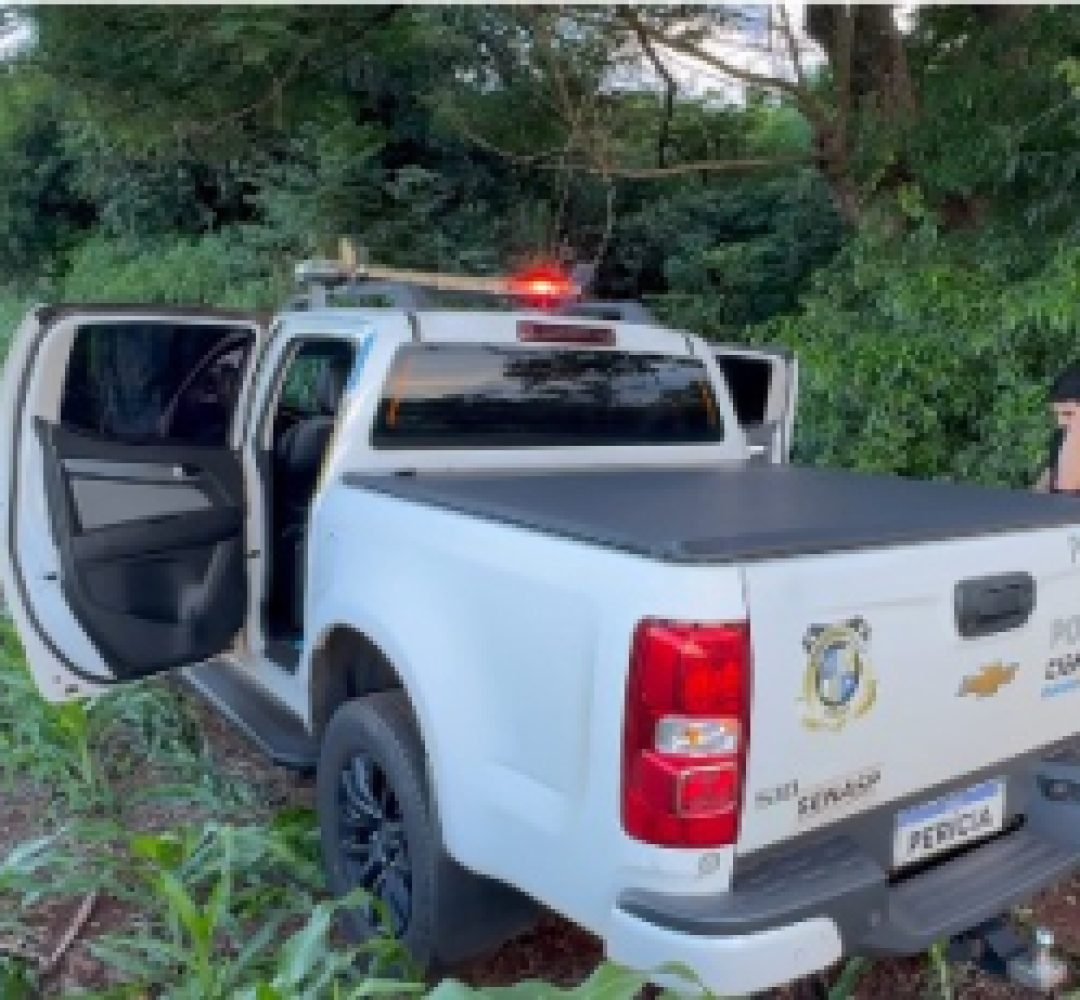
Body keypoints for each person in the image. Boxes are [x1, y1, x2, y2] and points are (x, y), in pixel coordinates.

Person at [1036, 363, 1080, 493]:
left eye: (1068, 414)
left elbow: (1068, 487)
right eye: (1057, 414)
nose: (1061, 422)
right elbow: (1045, 481)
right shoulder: (1061, 436)